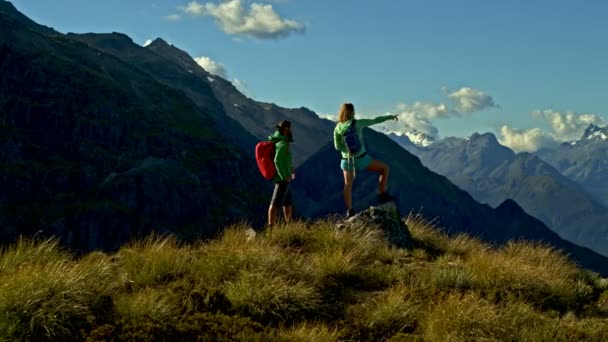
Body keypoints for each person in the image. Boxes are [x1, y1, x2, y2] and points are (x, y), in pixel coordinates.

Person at [334, 103, 398, 218]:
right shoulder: (358, 123)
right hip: (361, 159)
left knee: (347, 185)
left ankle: (349, 210)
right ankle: (382, 194)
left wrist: (347, 149)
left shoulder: (338, 127)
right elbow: (375, 120)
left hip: (346, 161)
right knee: (385, 168)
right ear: (352, 112)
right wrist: (389, 117)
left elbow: (337, 147)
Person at [268, 120, 294, 227]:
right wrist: (284, 176)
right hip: (282, 179)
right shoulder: (282, 143)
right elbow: (277, 161)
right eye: (291, 128)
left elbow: (283, 160)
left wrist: (290, 169)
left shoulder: (280, 141)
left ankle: (288, 224)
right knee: (275, 203)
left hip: (285, 177)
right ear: (286, 129)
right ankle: (271, 228)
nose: (292, 130)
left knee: (287, 202)